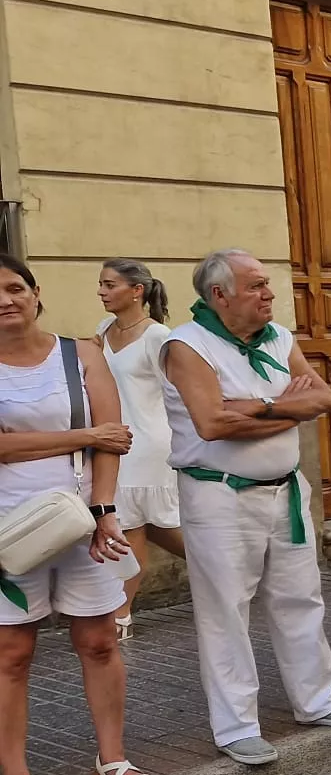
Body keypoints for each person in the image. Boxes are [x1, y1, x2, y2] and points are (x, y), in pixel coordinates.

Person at [162, 250, 331, 765]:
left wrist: (252, 409)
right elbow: (212, 423)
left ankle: (316, 699)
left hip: (285, 489)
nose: (269, 294)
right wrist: (284, 405)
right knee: (225, 610)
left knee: (301, 598)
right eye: (256, 285)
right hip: (219, 494)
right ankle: (236, 725)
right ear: (220, 295)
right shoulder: (186, 346)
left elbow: (323, 401)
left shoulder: (280, 338)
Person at [0, 254, 154, 775]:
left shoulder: (81, 354)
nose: (6, 299)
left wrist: (105, 511)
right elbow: (95, 434)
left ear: (36, 293)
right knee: (12, 654)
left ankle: (109, 760)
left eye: (16, 287)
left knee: (98, 640)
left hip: (81, 522)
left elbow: (114, 441)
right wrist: (82, 434)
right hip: (8, 531)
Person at [94, 259, 185, 640]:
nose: (101, 291)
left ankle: (120, 616)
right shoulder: (103, 329)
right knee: (148, 523)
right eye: (100, 284)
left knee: (130, 524)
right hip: (115, 440)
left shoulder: (158, 336)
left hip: (148, 442)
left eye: (109, 284)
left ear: (137, 291)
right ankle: (233, 567)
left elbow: (179, 390)